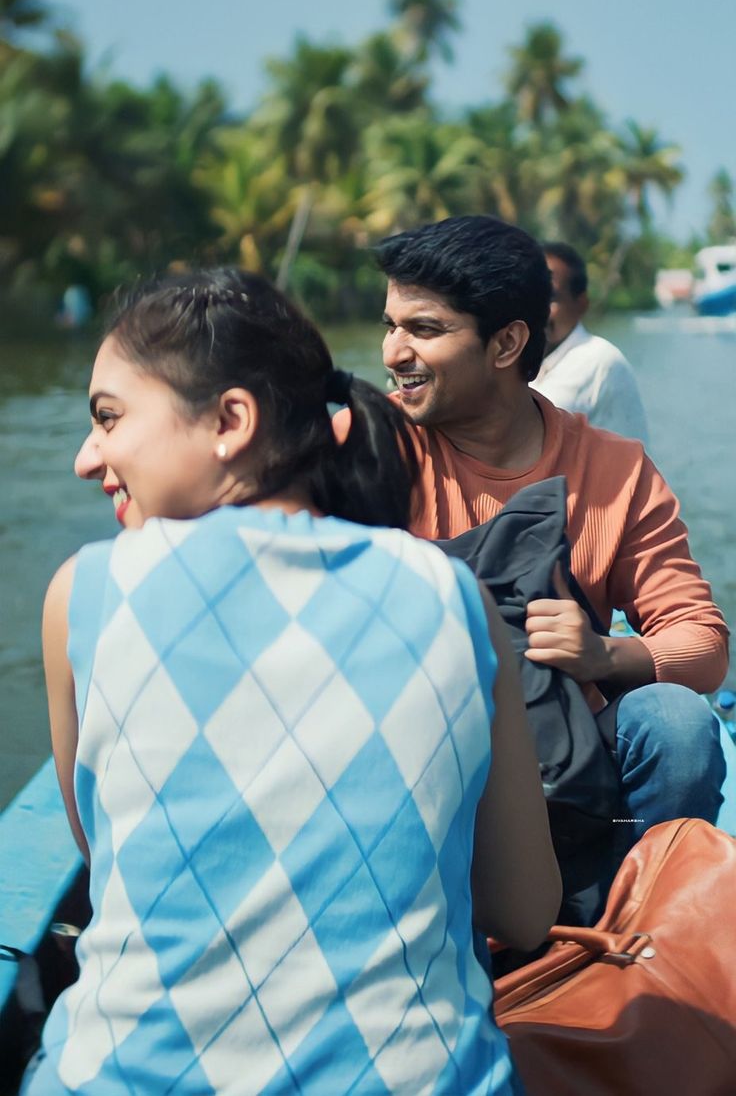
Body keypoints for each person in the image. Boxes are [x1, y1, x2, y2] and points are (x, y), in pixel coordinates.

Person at [28, 268, 560, 1096]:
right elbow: (525, 912)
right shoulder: (453, 596)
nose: (85, 456)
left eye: (109, 418)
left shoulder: (88, 592)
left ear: (230, 422)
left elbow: (107, 858)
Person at [377, 216, 729, 856]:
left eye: (424, 329)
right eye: (390, 326)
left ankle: (635, 911)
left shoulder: (614, 468)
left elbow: (703, 646)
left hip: (568, 769)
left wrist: (603, 655)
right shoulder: (367, 447)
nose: (393, 353)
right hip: (415, 755)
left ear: (507, 344)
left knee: (679, 726)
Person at [530, 241, 649, 443]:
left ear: (582, 304)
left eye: (550, 298)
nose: (536, 310)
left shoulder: (596, 357)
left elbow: (525, 431)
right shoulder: (533, 361)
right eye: (529, 296)